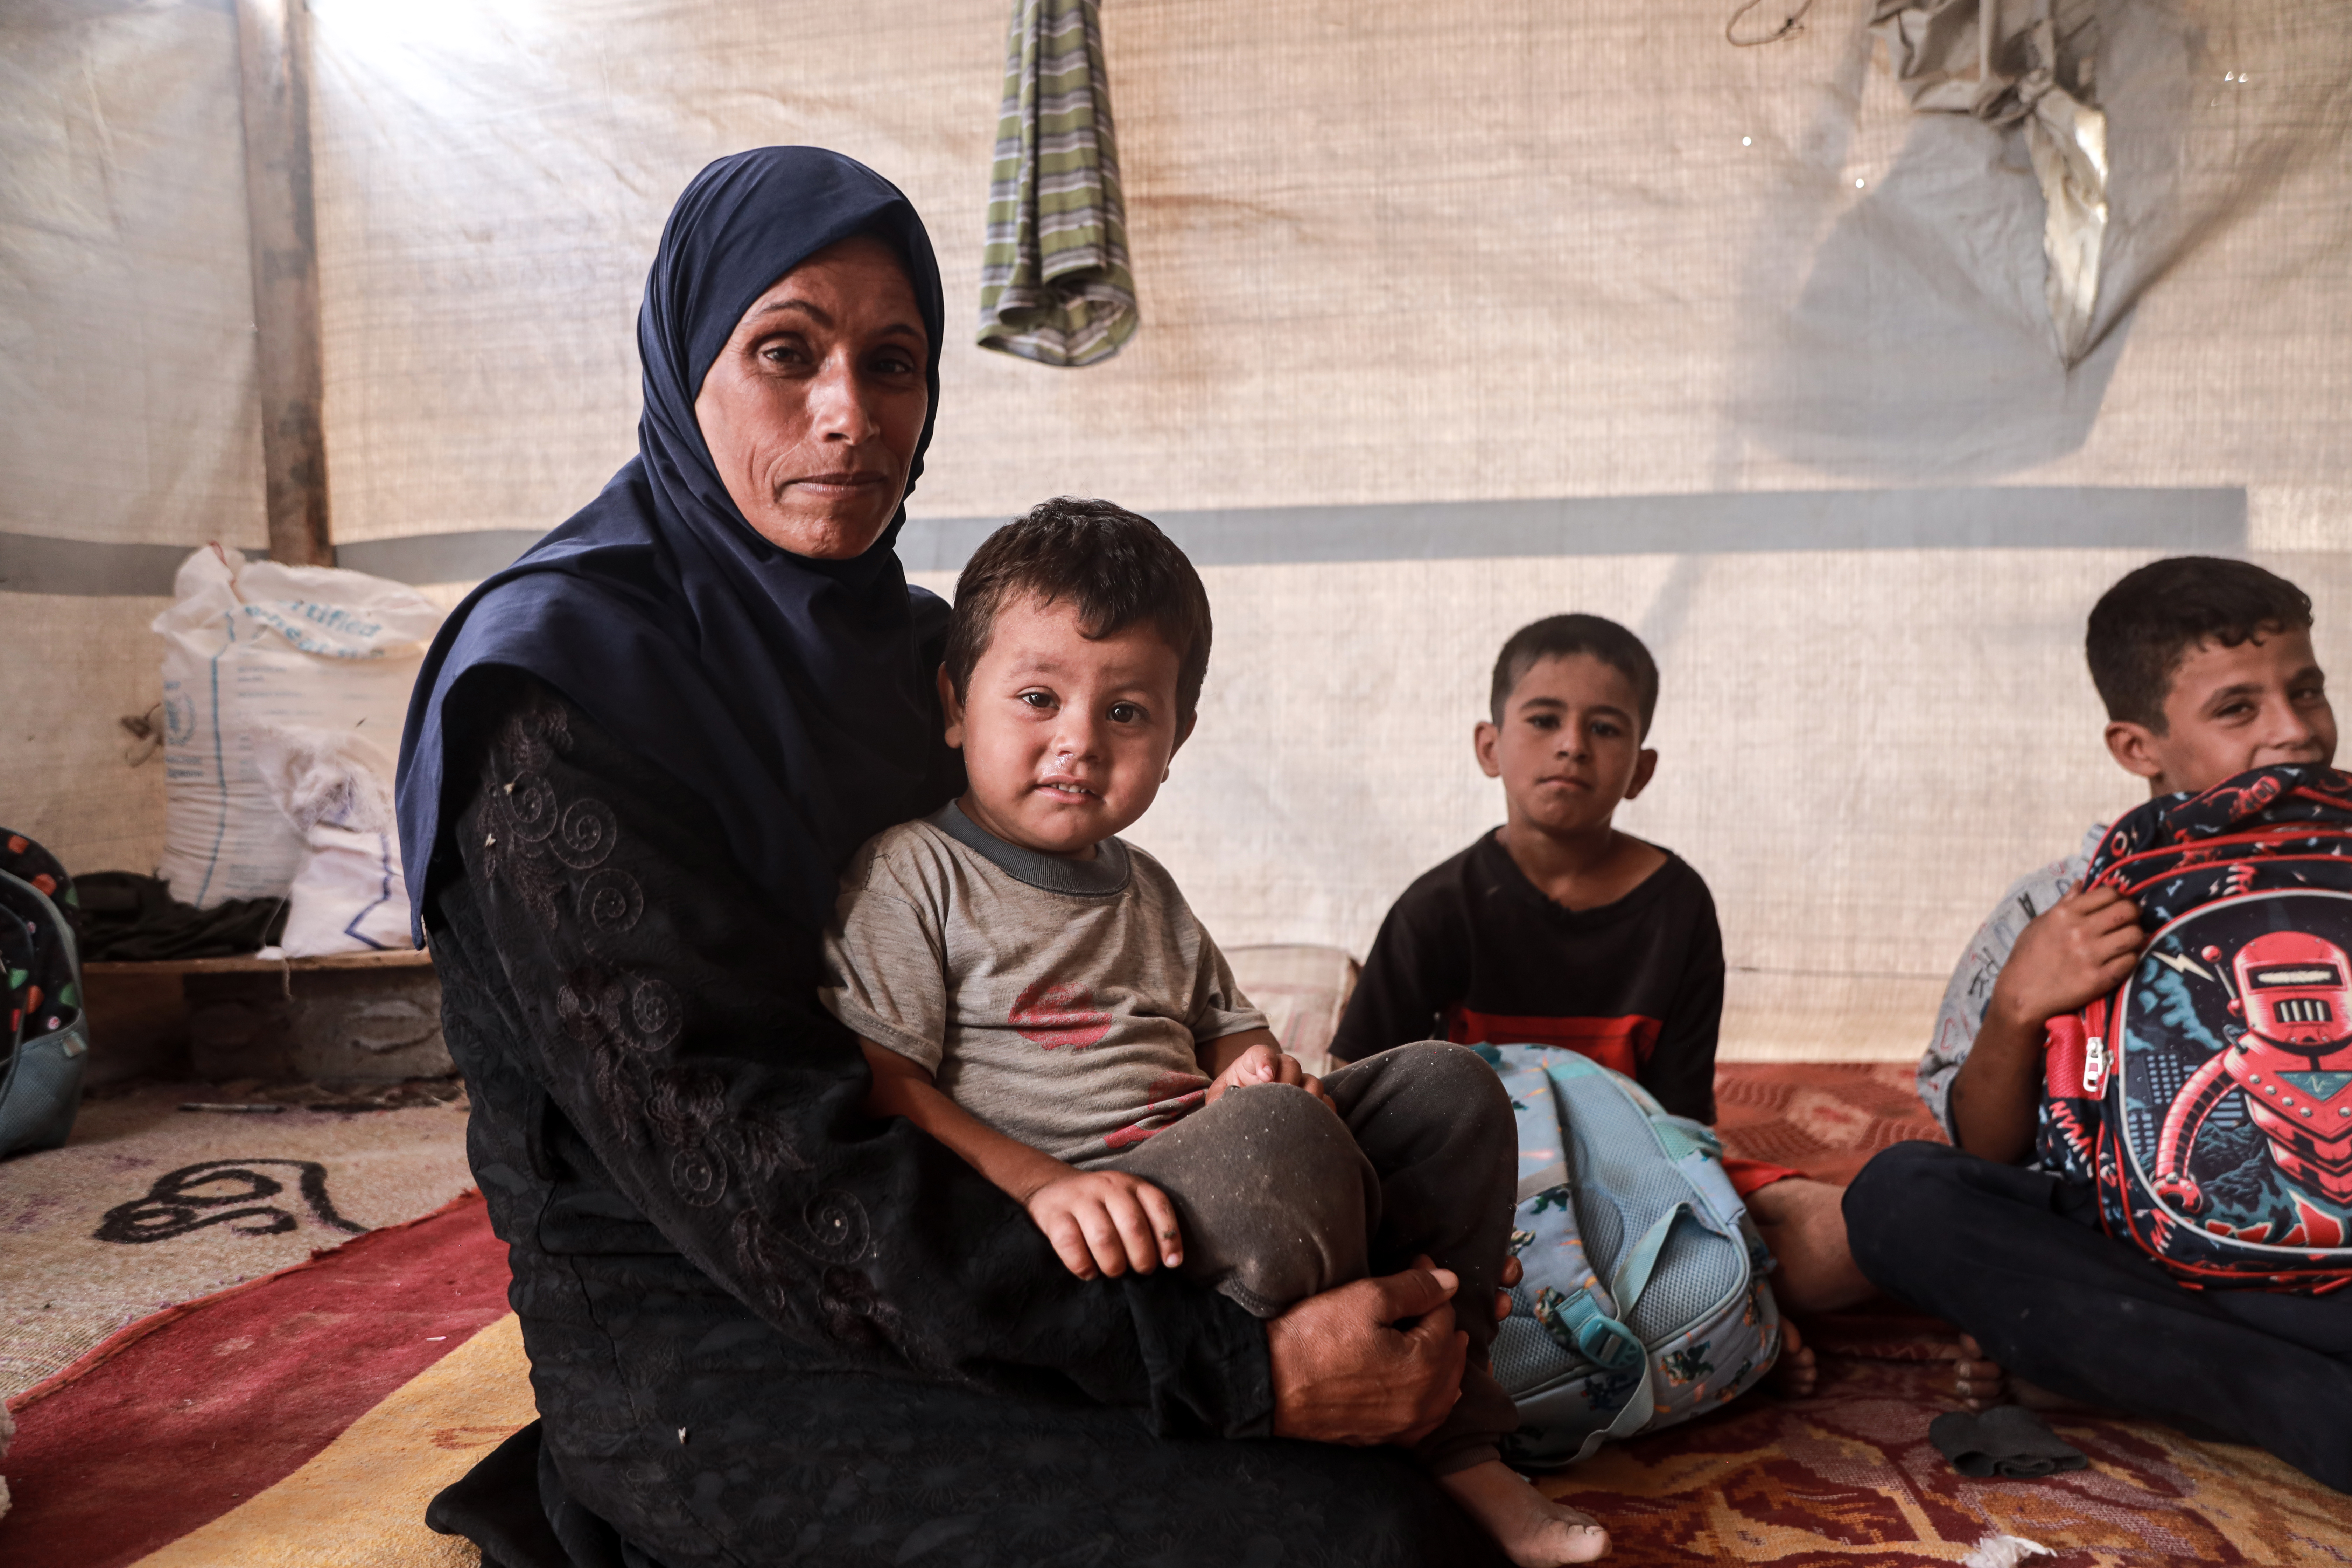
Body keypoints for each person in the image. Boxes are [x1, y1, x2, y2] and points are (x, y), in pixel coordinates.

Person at [397, 147, 1522, 1567]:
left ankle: (1377, 1368)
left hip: (1008, 1220)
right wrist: (1230, 1370)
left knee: (1425, 1107)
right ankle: (1316, 1376)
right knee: (1366, 1544)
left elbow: (1050, 937)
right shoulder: (559, 697)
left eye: (895, 364)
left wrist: (1229, 1086)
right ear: (689, 361)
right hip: (723, 1329)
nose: (847, 416)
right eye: (786, 354)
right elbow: (773, 1182)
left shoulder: (925, 654)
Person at [822, 500, 1610, 1567]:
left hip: (1219, 1172)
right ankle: (1325, 1416)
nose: (1078, 743)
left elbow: (1225, 1032)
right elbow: (882, 1079)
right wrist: (1040, 1185)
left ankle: (1458, 1437)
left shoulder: (1146, 888)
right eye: (1038, 698)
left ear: (1177, 738)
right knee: (1278, 1142)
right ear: (957, 706)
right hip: (1080, 1226)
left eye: (1129, 714)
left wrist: (1252, 1067)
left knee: (1450, 1086)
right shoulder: (916, 873)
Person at [1846, 555, 2352, 1491]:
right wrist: (2019, 1007)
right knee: (1899, 1197)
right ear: (2136, 747)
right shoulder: (2065, 902)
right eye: (2238, 709)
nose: (2296, 730)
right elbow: (1985, 1152)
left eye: (2308, 690)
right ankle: (2289, 1396)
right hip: (2160, 1253)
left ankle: (2131, 1368)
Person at [1330, 616, 1871, 1378]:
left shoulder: (1677, 905)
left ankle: (1708, 1304)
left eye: (1605, 727)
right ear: (1490, 745)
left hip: (1643, 1181)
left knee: (1847, 1232)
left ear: (1641, 768)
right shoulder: (1438, 907)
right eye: (1545, 719)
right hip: (1493, 1191)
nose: (1572, 745)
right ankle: (1725, 1321)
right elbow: (1354, 1094)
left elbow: (1683, 1120)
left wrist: (1709, 1229)